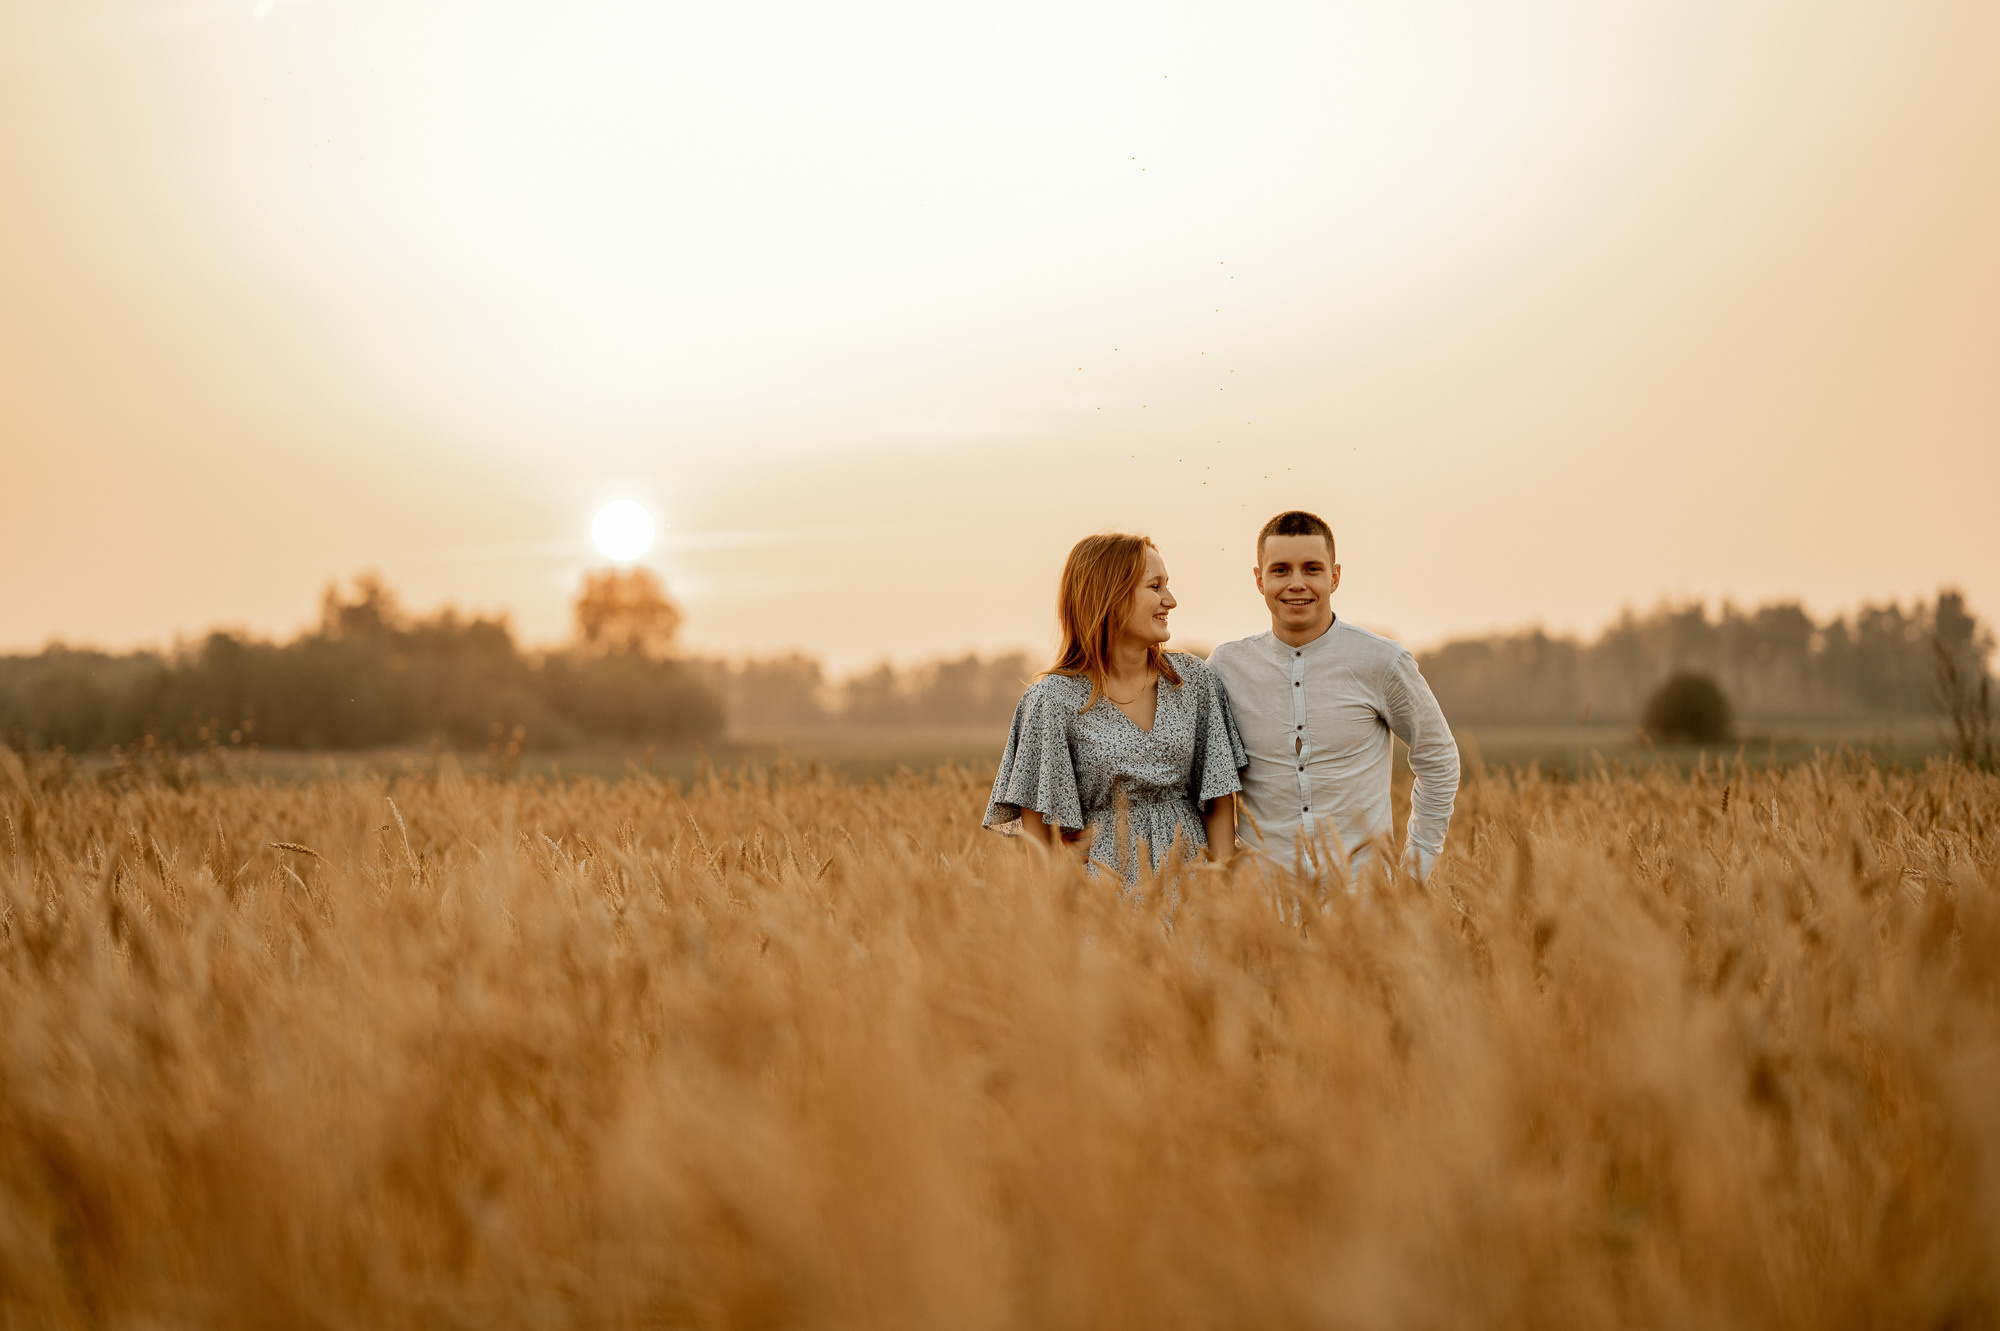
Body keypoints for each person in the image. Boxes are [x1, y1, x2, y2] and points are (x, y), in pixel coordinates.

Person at [1208, 510, 1460, 886]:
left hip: (1363, 898)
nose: (1296, 583)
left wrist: (1416, 867)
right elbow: (1208, 781)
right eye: (1280, 570)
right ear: (1259, 580)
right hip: (1262, 904)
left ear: (1335, 576)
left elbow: (1438, 759)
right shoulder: (1225, 668)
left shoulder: (1383, 661)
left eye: (1312, 569)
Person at [984, 532, 1246, 880]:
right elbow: (1041, 840)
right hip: (1105, 904)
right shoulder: (1051, 701)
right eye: (1155, 587)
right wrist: (1053, 929)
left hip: (1194, 896)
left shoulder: (1194, 681)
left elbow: (1217, 802)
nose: (1171, 600)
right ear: (1111, 596)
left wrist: (1223, 899)